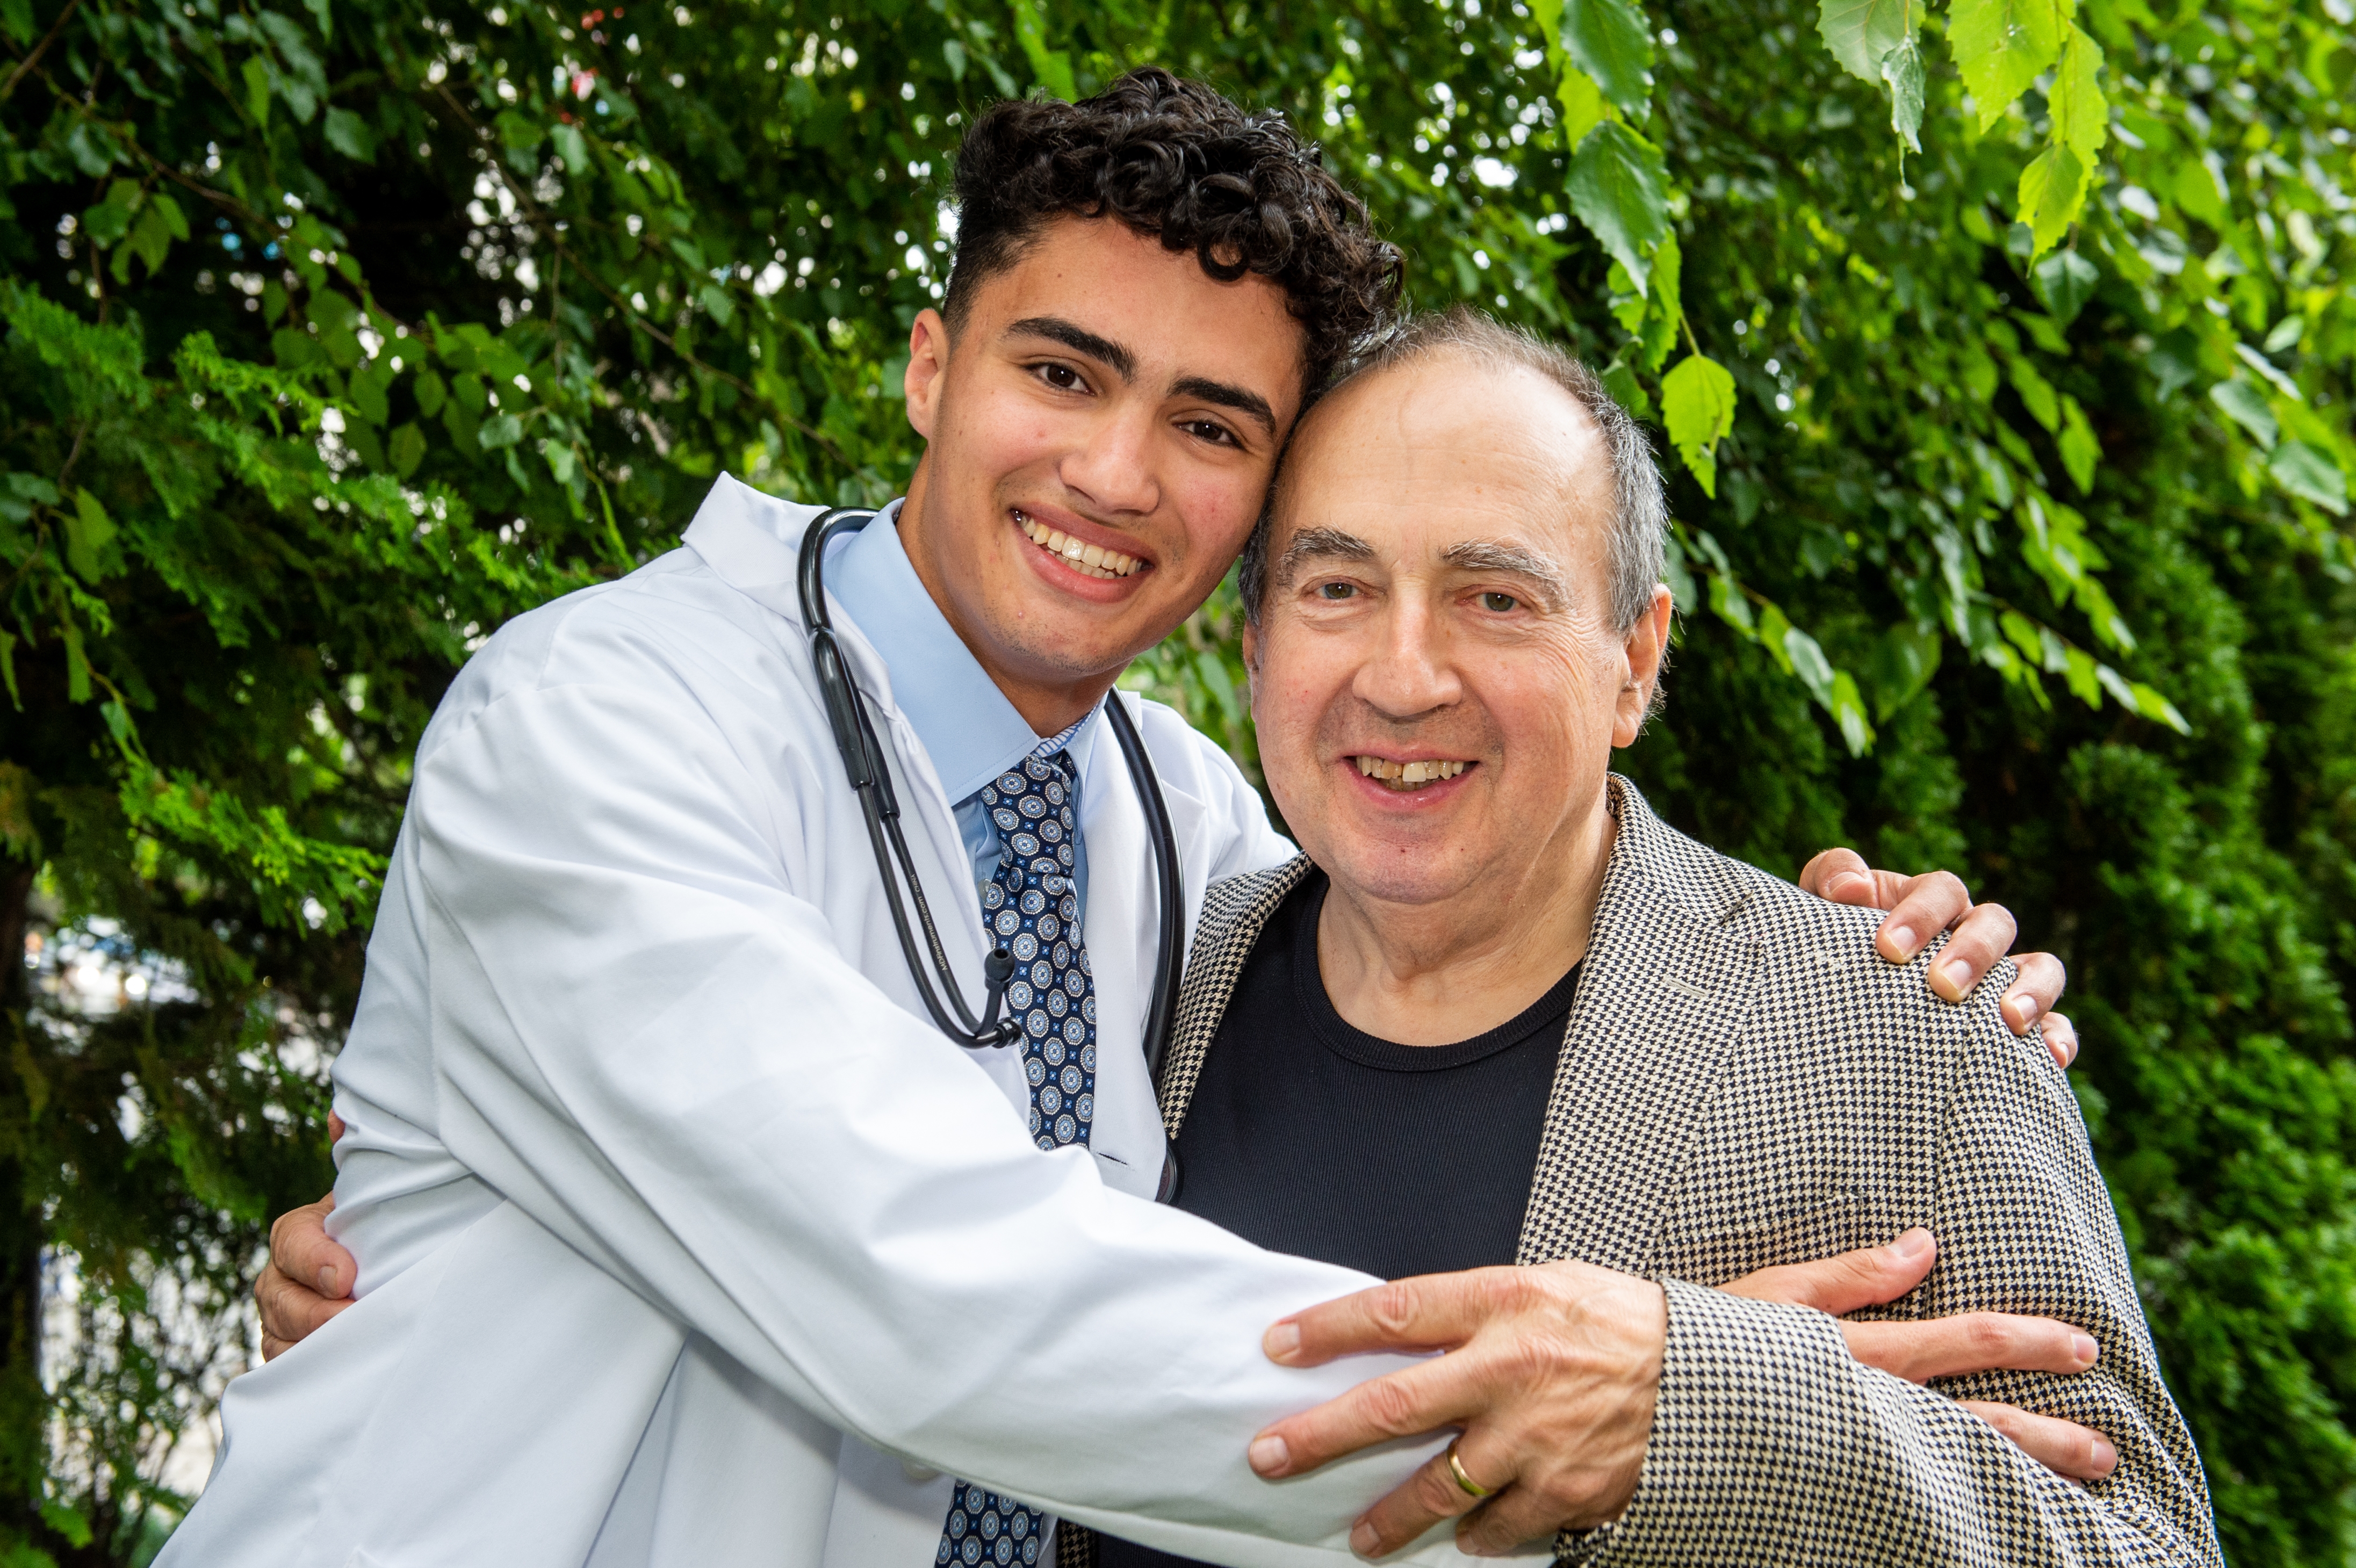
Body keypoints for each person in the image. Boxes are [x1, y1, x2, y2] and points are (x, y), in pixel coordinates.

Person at [203, 73, 2080, 1568]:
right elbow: (927, 1289)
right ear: (933, 367)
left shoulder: (1197, 831)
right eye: (1060, 372)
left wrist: (1851, 947)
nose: (1113, 472)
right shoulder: (597, 726)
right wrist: (1629, 1407)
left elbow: (1497, 895)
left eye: (1208, 423)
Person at [1070, 309, 2216, 1566]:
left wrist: (1697, 1407)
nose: (1403, 675)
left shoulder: (1912, 1033)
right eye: (1337, 587)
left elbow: (2144, 1540)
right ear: (1256, 642)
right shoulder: (1144, 973)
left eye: (1494, 596)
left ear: (1634, 660)